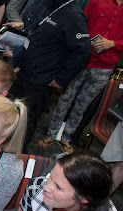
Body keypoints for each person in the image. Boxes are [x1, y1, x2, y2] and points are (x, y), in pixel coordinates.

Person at [37, 0, 123, 154]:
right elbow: (79, 23)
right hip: (80, 60)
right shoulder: (98, 2)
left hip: (105, 67)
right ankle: (51, 133)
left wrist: (113, 44)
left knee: (82, 104)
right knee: (65, 98)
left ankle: (66, 137)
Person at [7, 0, 91, 144]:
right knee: (10, 113)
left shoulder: (74, 16)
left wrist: (62, 79)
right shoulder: (50, 6)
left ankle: (15, 155)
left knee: (26, 123)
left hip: (41, 81)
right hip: (25, 72)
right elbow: (37, 38)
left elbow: (83, 51)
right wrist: (21, 58)